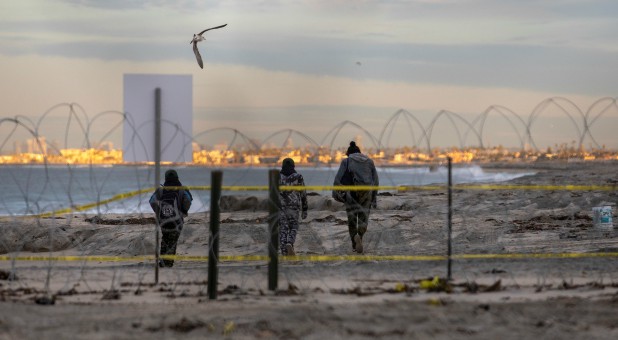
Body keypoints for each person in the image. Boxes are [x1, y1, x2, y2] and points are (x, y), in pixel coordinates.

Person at [333, 141, 378, 254]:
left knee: (352, 220)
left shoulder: (346, 161)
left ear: (349, 153)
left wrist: (336, 194)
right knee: (363, 219)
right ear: (360, 152)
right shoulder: (369, 161)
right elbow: (376, 181)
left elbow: (338, 179)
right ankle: (360, 237)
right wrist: (374, 197)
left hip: (351, 193)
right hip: (366, 193)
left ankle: (354, 243)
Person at [149, 169, 193, 267]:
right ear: (177, 177)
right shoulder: (182, 189)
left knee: (165, 239)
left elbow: (152, 201)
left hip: (164, 220)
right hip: (177, 220)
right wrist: (183, 211)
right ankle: (168, 263)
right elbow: (188, 200)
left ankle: (162, 262)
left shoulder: (161, 190)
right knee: (172, 241)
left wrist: (159, 212)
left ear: (166, 178)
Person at [278, 158, 308, 256]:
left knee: (283, 228)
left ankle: (284, 250)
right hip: (294, 206)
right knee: (293, 227)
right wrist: (305, 209)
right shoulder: (298, 177)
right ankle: (289, 243)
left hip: (281, 206)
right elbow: (303, 193)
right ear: (293, 165)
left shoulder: (278, 176)